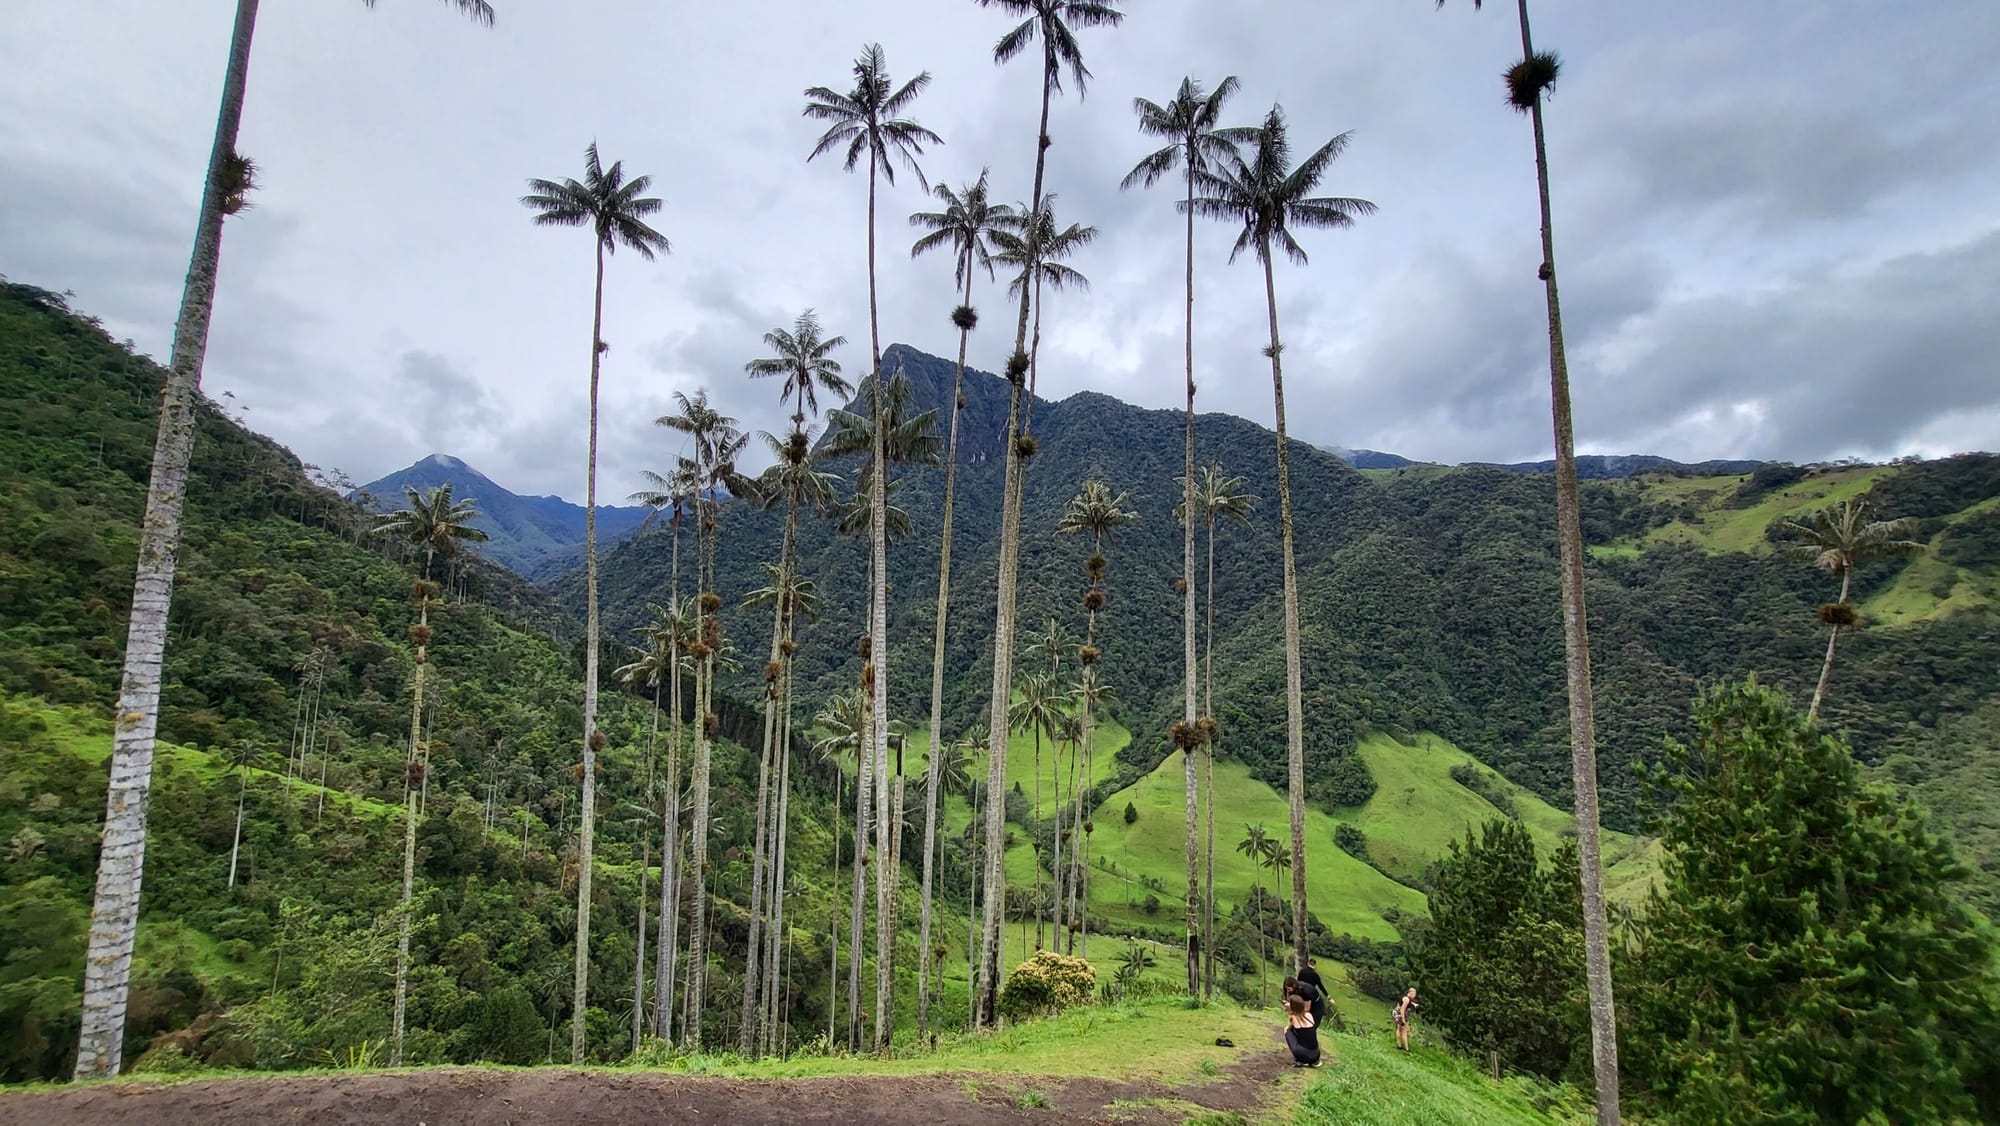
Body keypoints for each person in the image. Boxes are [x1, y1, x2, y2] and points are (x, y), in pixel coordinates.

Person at [1284, 994, 1321, 1067]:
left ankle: (1300, 1059)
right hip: (1316, 1054)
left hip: (1303, 1054)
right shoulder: (1309, 1015)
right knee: (1304, 1035)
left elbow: (1289, 1027)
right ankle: (1313, 1061)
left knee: (1287, 1031)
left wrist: (1289, 1009)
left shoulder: (1293, 1018)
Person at [1394, 987, 1420, 1052]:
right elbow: (1402, 1010)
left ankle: (1400, 1045)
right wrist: (1403, 1020)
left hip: (1399, 1014)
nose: (1414, 995)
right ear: (1410, 993)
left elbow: (1411, 1005)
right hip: (1399, 1014)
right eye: (1413, 993)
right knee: (1404, 1030)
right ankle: (1406, 1048)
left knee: (1400, 1029)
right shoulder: (1406, 1000)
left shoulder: (1409, 1000)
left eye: (1415, 994)